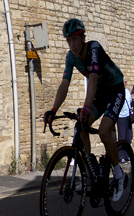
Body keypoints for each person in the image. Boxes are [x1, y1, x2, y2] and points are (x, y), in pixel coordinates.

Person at [43, 18, 127, 202]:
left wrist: (87, 108)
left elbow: (94, 79)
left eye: (74, 39)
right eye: (68, 40)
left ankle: (119, 175)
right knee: (81, 126)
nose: (72, 44)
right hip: (100, 94)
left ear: (82, 38)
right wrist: (53, 109)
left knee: (105, 132)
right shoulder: (70, 57)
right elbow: (64, 84)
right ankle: (90, 172)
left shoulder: (94, 48)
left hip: (114, 89)